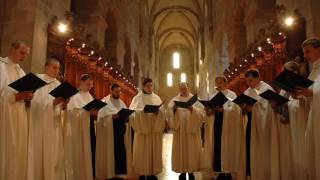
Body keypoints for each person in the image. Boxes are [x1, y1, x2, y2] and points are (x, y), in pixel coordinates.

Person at [27, 58, 67, 180]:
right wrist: (52, 102)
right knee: (38, 151)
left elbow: (60, 108)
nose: (57, 70)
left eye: (58, 68)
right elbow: (34, 102)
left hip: (53, 123)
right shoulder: (37, 80)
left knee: (53, 152)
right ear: (46, 67)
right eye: (54, 67)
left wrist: (63, 104)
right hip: (38, 122)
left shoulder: (58, 85)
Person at [0, 41, 32, 180]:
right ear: (12, 49)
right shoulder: (1, 66)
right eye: (22, 52)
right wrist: (15, 96)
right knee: (7, 149)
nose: (24, 56)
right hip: (5, 116)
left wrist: (28, 97)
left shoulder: (21, 71)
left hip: (19, 114)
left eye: (26, 54)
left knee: (18, 150)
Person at [202, 76, 243, 180]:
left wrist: (224, 110)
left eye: (220, 83)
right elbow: (210, 111)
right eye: (217, 83)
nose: (219, 85)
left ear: (226, 83)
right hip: (216, 123)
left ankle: (228, 171)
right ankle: (219, 170)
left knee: (227, 146)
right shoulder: (214, 95)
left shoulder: (231, 94)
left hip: (228, 126)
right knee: (217, 146)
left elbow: (237, 109)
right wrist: (208, 110)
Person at [242, 69, 279, 180]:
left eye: (251, 80)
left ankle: (265, 174)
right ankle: (254, 173)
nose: (249, 84)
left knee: (263, 150)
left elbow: (268, 107)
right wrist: (243, 108)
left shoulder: (266, 88)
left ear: (258, 78)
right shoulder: (248, 91)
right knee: (250, 148)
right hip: (251, 124)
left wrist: (253, 108)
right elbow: (244, 108)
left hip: (264, 126)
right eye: (247, 81)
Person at [129, 78, 165, 180]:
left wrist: (159, 113)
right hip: (142, 131)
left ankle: (152, 173)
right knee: (141, 151)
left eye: (151, 86)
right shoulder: (137, 98)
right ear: (143, 86)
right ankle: (142, 172)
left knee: (153, 151)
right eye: (147, 86)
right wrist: (142, 112)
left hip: (153, 130)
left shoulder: (156, 98)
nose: (149, 88)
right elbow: (132, 113)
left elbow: (163, 112)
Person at [96, 83, 133, 180]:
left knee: (121, 152)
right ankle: (110, 172)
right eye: (116, 92)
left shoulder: (121, 102)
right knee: (111, 153)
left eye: (119, 92)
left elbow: (125, 113)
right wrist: (111, 117)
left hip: (120, 132)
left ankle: (119, 174)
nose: (118, 94)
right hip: (110, 134)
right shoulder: (104, 102)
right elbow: (100, 118)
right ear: (111, 90)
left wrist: (126, 116)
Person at [295, 38, 320, 179]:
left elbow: (315, 91)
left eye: (308, 52)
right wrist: (301, 96)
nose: (305, 56)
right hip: (314, 116)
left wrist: (311, 93)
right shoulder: (314, 71)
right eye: (304, 52)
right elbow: (311, 93)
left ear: (319, 49)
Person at [167, 82, 202, 180]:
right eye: (181, 89)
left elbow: (201, 112)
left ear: (188, 88)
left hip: (192, 131)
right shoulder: (175, 99)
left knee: (191, 150)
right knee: (180, 150)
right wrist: (173, 109)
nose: (183, 90)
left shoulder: (194, 100)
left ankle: (191, 172)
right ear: (179, 89)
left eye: (185, 88)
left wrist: (193, 109)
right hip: (180, 130)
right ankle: (182, 172)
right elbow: (169, 110)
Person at [66, 74, 96, 180]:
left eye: (91, 85)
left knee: (90, 150)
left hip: (89, 126)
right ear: (81, 82)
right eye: (88, 84)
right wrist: (85, 112)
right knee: (78, 153)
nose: (89, 87)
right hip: (78, 130)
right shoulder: (75, 95)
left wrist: (93, 112)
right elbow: (72, 113)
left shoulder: (90, 96)